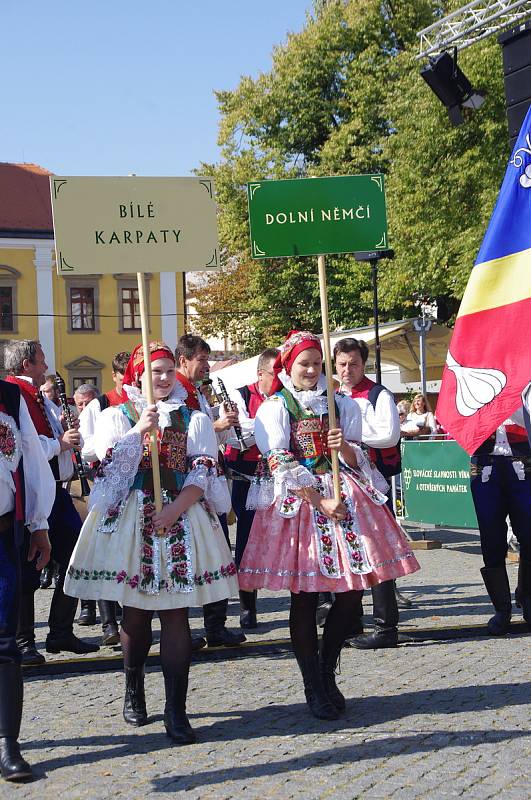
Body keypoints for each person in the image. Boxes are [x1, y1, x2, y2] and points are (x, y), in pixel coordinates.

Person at [238, 331, 419, 719]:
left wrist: (345, 448)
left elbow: (361, 459)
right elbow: (279, 463)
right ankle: (312, 684)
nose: (311, 370)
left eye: (317, 364)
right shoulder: (275, 407)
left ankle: (327, 666)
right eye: (304, 364)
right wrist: (321, 500)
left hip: (345, 495)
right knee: (304, 597)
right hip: (301, 503)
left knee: (352, 594)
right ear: (288, 366)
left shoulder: (340, 403)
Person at [64, 342, 239, 744]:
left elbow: (202, 472)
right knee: (137, 615)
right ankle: (133, 685)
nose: (162, 378)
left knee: (176, 614)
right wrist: (138, 432)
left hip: (179, 516)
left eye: (166, 370)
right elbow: (109, 477)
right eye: (153, 372)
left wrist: (176, 508)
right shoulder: (115, 416)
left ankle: (175, 709)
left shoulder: (194, 418)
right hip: (131, 520)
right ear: (137, 377)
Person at [4, 340, 99, 662]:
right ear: (26, 364)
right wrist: (59, 444)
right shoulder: (14, 394)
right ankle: (24, 641)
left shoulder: (35, 395)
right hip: (31, 492)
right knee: (28, 565)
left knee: (77, 555)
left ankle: (60, 631)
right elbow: (27, 448)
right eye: (41, 360)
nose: (46, 367)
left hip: (55, 489)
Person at [334, 337, 410, 650]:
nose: (347, 370)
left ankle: (385, 626)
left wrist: (349, 435)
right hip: (340, 482)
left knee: (379, 553)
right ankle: (349, 621)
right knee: (346, 550)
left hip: (372, 481)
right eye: (341, 364)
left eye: (353, 364)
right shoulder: (331, 394)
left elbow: (387, 435)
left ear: (363, 363)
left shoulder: (378, 394)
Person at [175, 334, 245, 648]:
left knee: (215, 556)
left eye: (206, 359)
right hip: (192, 486)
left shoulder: (197, 391)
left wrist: (225, 426)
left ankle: (215, 625)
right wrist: (217, 427)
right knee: (197, 556)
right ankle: (194, 628)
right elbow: (184, 436)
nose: (206, 365)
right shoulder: (179, 391)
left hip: (208, 480)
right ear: (183, 360)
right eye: (201, 360)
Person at [0, 379, 55, 781]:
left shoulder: (8, 397)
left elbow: (31, 462)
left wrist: (39, 524)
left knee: (4, 643)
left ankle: (7, 745)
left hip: (1, 535)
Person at [224, 348, 279, 628]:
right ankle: (247, 605)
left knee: (297, 536)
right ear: (261, 373)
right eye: (275, 373)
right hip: (247, 479)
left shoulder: (287, 397)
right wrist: (270, 426)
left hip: (281, 477)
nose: (280, 378)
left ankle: (316, 598)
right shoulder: (240, 395)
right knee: (246, 541)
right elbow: (239, 434)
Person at [470, 410, 531, 634]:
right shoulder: (476, 380)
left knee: (528, 531)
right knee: (491, 536)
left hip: (523, 458)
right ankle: (501, 609)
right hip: (484, 460)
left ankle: (527, 598)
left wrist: (508, 402)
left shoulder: (524, 382)